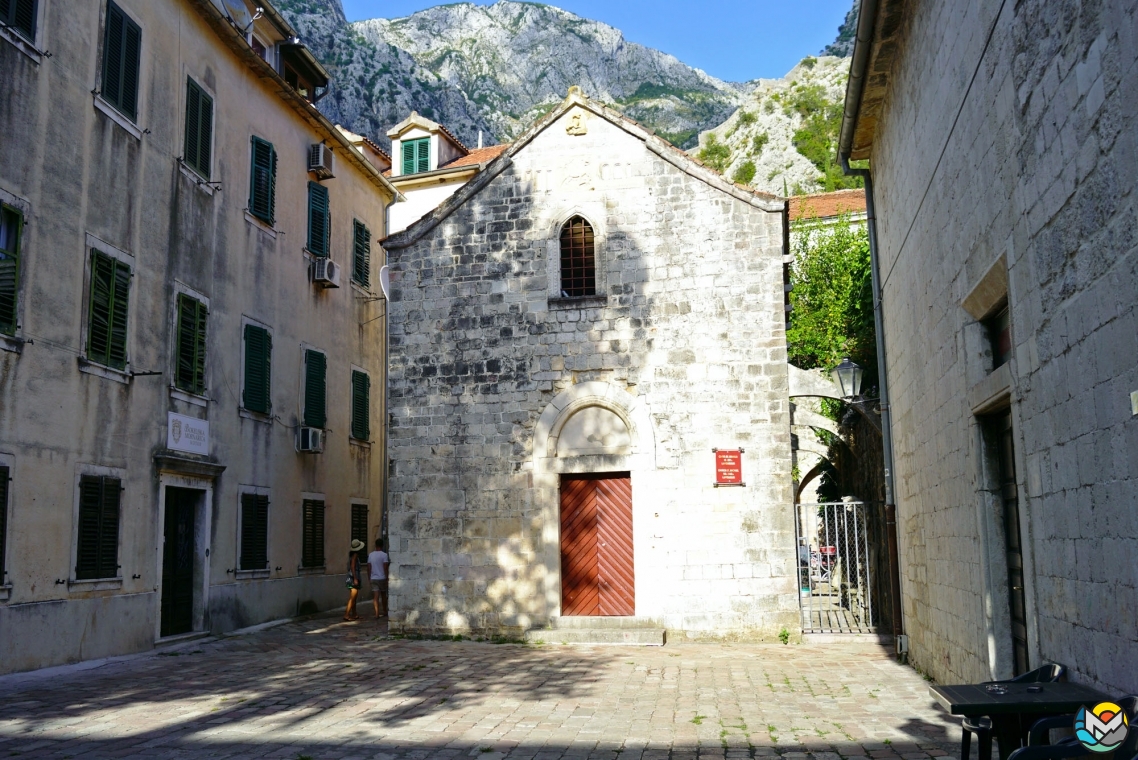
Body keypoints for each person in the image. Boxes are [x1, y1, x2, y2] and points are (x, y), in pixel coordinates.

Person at [366, 538, 390, 619]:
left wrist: (369, 577)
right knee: (383, 595)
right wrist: (387, 577)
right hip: (382, 577)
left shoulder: (371, 555)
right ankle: (384, 611)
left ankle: (376, 613)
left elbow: (369, 567)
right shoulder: (384, 555)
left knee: (375, 596)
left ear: (375, 545)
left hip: (374, 577)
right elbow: (385, 567)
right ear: (382, 546)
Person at [344, 539, 365, 621]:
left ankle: (354, 614)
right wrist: (355, 578)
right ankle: (346, 614)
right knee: (352, 598)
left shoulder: (352, 555)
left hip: (353, 577)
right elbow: (352, 567)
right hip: (353, 578)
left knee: (354, 598)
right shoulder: (355, 556)